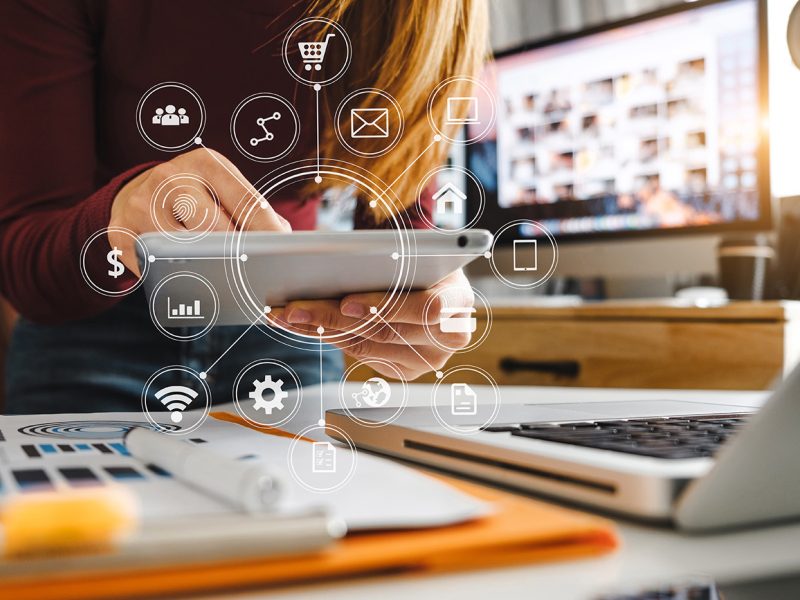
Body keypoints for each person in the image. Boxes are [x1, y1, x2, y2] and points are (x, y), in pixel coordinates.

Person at [0, 0, 489, 414]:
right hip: (92, 335)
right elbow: (25, 259)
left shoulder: (425, 13)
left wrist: (424, 294)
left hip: (287, 327)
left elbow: (396, 212)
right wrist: (116, 221)